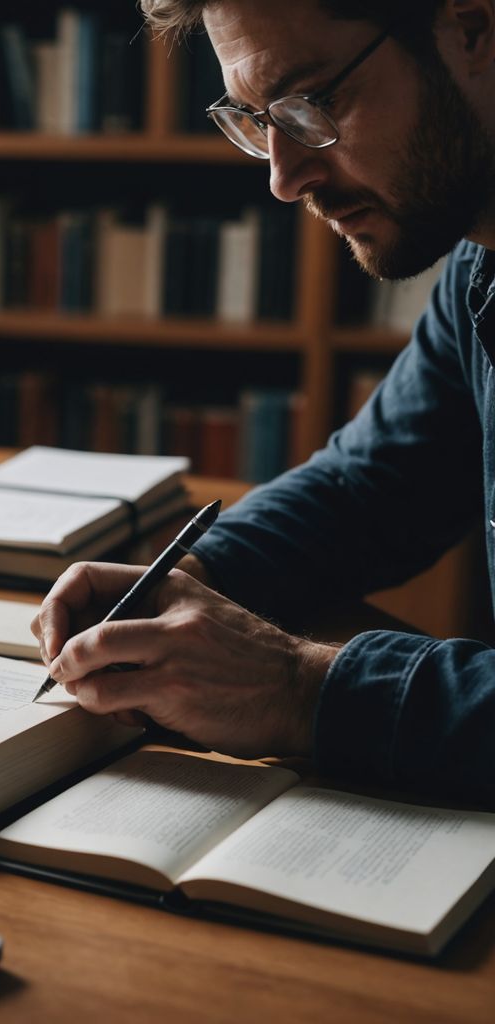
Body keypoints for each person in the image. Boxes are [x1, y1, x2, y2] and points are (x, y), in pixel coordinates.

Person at [32, 0, 495, 796]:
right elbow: (371, 483)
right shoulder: (478, 266)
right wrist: (196, 574)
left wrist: (294, 686)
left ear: (474, 29)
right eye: (255, 120)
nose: (285, 178)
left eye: (311, 104)